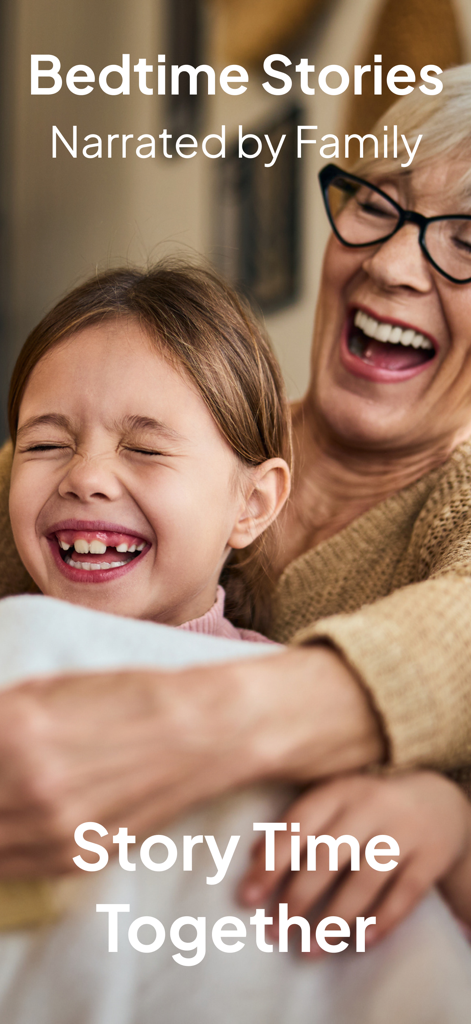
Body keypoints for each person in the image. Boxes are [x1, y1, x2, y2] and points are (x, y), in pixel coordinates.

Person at [1, 62, 471, 939]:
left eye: (470, 241)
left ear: (256, 503)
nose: (394, 261)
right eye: (376, 203)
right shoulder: (95, 464)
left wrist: (450, 825)